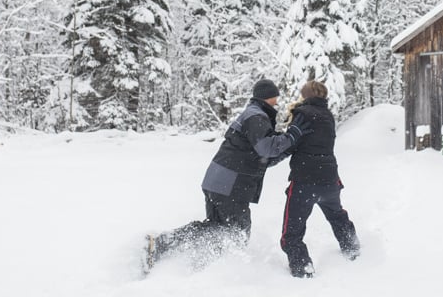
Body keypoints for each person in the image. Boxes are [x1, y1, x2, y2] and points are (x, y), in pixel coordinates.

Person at [143, 78, 312, 273]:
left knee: (217, 229)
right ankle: (172, 248)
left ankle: (175, 253)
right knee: (237, 233)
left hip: (218, 181)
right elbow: (266, 148)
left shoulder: (253, 115)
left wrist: (288, 147)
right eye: (275, 98)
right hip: (230, 185)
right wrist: (291, 136)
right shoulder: (256, 116)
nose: (277, 102)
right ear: (268, 98)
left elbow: (263, 157)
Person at [279, 80, 360, 278]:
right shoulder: (328, 116)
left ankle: (303, 268)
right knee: (337, 216)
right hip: (330, 179)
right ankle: (354, 251)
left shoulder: (302, 114)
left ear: (305, 95)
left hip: (304, 181)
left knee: (292, 231)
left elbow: (290, 143)